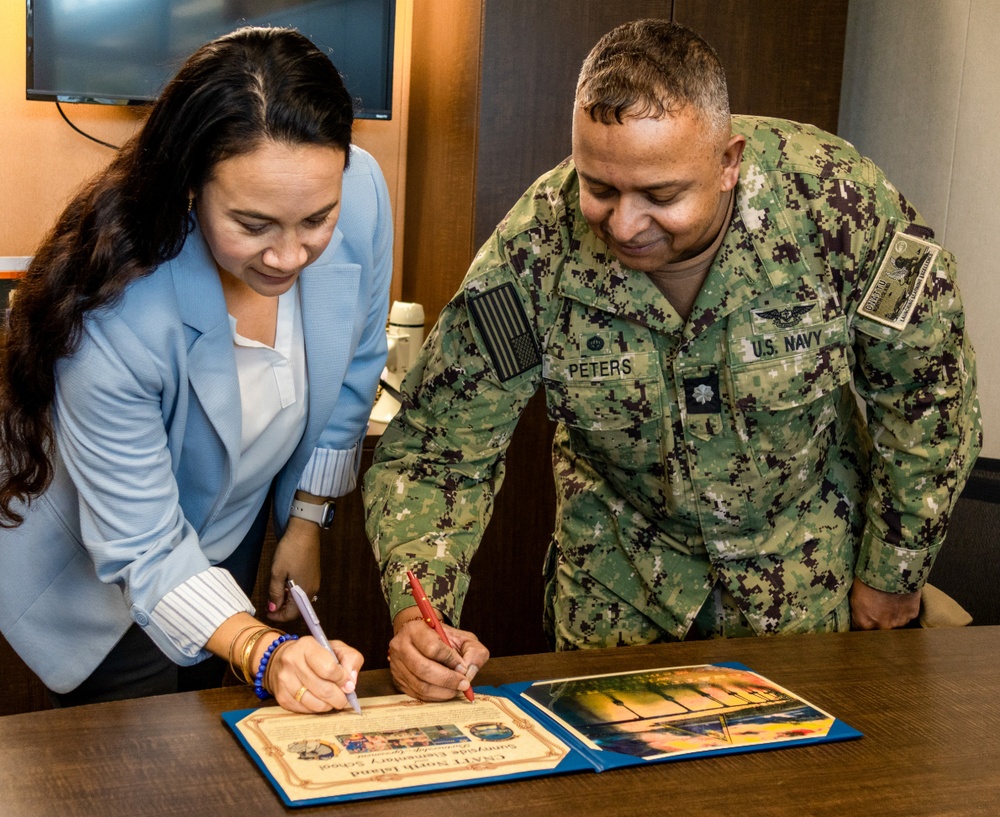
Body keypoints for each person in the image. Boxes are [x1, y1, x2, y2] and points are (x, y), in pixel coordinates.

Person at [363, 19, 982, 701]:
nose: (624, 225)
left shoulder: (835, 202)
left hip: (808, 601)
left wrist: (895, 570)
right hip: (616, 607)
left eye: (660, 196)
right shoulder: (535, 248)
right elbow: (440, 446)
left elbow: (927, 391)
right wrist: (422, 611)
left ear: (728, 162)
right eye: (597, 187)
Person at [0, 26, 393, 710]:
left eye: (315, 220)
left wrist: (306, 519)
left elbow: (355, 367)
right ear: (189, 187)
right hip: (99, 570)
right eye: (253, 223)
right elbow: (145, 545)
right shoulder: (115, 312)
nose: (289, 255)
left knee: (205, 723)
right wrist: (265, 651)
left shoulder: (360, 195)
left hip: (227, 526)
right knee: (140, 754)